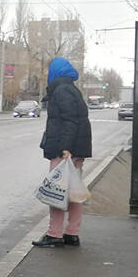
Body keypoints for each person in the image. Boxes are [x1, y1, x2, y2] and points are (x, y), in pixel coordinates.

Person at [33, 56, 93, 248]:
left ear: (55, 72)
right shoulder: (71, 89)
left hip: (65, 151)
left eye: (49, 70)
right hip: (75, 149)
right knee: (73, 193)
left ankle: (54, 234)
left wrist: (65, 148)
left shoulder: (61, 91)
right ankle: (72, 234)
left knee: (56, 192)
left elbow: (70, 121)